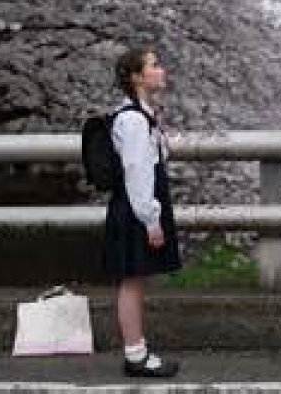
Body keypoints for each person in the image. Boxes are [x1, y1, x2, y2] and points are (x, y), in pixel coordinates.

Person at [105, 46, 182, 378]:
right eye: (154, 65)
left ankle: (137, 351)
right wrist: (151, 220)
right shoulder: (134, 120)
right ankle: (136, 355)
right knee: (132, 280)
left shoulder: (138, 114)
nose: (162, 70)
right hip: (137, 208)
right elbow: (137, 173)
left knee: (134, 279)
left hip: (134, 206)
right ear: (137, 76)